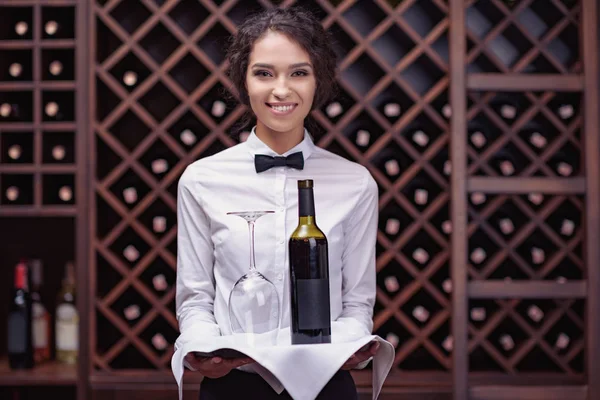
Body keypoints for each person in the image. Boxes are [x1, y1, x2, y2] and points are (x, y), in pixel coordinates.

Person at [175, 7, 380, 399]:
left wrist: (352, 347)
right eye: (264, 73)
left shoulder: (356, 184)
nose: (281, 90)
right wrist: (204, 350)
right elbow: (196, 298)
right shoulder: (201, 180)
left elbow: (356, 302)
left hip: (326, 386)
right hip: (233, 387)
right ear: (243, 81)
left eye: (299, 73)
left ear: (318, 81)